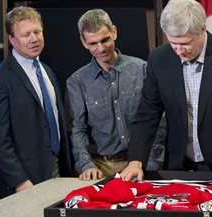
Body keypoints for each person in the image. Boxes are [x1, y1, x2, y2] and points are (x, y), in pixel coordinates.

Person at [120, 0, 212, 182]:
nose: (179, 50)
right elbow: (147, 115)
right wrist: (135, 161)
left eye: (185, 43)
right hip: (180, 167)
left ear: (203, 29)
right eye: (173, 43)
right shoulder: (159, 59)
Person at [0, 6, 72, 198]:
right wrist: (20, 181)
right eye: (26, 34)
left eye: (37, 32)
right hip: (26, 181)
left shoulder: (47, 72)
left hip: (58, 171)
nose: (34, 39)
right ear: (12, 39)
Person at [66, 9, 165, 181]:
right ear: (83, 42)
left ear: (114, 32)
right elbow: (77, 129)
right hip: (101, 168)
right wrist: (86, 165)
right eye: (93, 43)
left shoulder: (142, 69)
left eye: (105, 40)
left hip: (143, 164)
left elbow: (159, 121)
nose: (101, 48)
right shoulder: (77, 82)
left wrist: (153, 163)